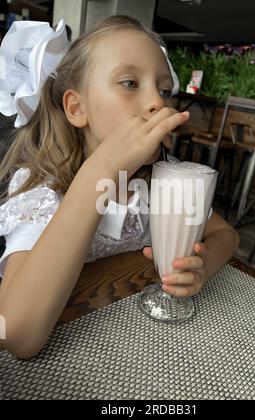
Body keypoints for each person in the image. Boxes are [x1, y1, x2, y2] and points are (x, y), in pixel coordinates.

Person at [0, 15, 239, 359]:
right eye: (129, 83)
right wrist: (102, 171)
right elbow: (18, 334)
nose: (158, 101)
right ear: (77, 108)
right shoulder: (44, 188)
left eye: (165, 89)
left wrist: (202, 270)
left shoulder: (163, 177)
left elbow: (227, 235)